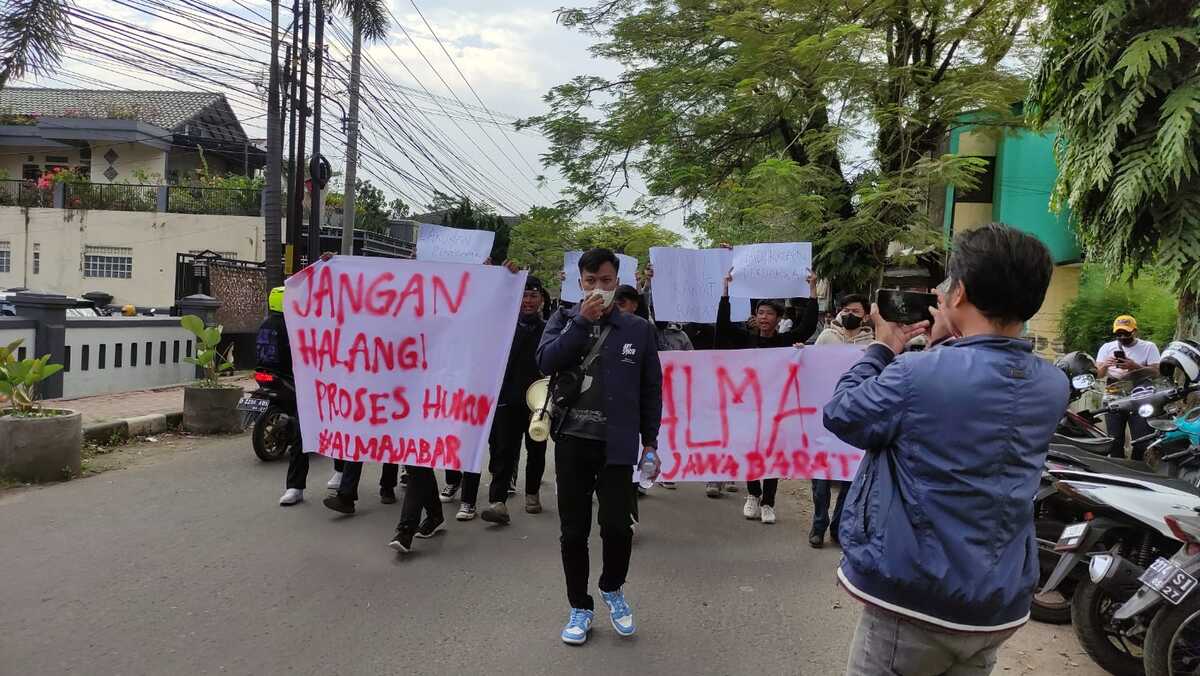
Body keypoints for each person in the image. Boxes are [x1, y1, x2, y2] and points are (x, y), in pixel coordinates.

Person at [824, 224, 1069, 676]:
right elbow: (973, 408)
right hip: (995, 604)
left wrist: (882, 346)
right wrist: (943, 345)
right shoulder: (1054, 384)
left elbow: (843, 413)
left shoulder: (917, 374)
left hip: (917, 602)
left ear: (959, 293)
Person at [537, 247, 662, 645]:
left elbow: (650, 390)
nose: (598, 289)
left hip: (617, 445)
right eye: (590, 282)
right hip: (572, 441)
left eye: (606, 281)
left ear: (616, 280)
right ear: (579, 283)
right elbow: (543, 362)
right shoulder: (562, 318)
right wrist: (579, 324)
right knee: (573, 531)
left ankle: (612, 588)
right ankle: (580, 606)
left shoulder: (639, 329)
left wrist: (651, 443)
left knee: (616, 526)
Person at [715, 268, 817, 520]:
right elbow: (723, 327)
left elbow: (808, 326)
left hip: (777, 408)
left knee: (773, 453)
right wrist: (726, 292)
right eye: (760, 313)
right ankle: (752, 494)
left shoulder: (786, 342)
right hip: (750, 407)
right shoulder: (746, 339)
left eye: (769, 313)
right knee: (752, 450)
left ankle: (768, 503)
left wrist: (813, 290)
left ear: (778, 318)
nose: (764, 317)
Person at [479, 275, 550, 525]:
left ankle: (532, 493)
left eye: (533, 296)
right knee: (503, 451)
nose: (528, 301)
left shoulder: (549, 329)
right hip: (507, 400)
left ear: (541, 299)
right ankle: (498, 502)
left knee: (536, 450)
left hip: (538, 402)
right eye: (524, 295)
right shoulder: (504, 327)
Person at [805, 293, 872, 547]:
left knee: (848, 477)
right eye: (845, 309)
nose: (849, 314)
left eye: (854, 310)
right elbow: (810, 367)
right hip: (824, 417)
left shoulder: (872, 344)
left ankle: (838, 525)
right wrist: (802, 353)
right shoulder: (826, 337)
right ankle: (818, 524)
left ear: (865, 314)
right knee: (820, 477)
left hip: (855, 419)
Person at [1097, 315, 1161, 461]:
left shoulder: (1148, 347)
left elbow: (1156, 373)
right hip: (1113, 390)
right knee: (1114, 439)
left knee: (1141, 438)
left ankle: (1136, 467)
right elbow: (1098, 374)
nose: (1122, 337)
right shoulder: (1107, 348)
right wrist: (1105, 365)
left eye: (1126, 333)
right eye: (1118, 334)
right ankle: (1117, 469)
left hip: (1140, 391)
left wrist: (1134, 366)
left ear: (1135, 331)